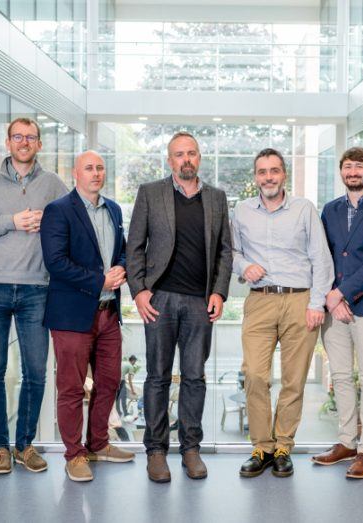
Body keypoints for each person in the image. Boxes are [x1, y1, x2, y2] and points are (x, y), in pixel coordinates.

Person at [126, 131, 232, 483]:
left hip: (200, 302)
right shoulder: (150, 193)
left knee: (194, 377)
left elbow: (224, 251)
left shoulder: (216, 198)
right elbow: (135, 247)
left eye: (191, 153)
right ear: (169, 161)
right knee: (156, 377)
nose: (186, 160)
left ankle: (190, 449)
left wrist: (218, 292)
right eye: (178, 155)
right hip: (160, 300)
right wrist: (139, 290)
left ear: (199, 157)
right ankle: (156, 451)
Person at [0, 117, 68, 475]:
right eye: (18, 136)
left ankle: (25, 444)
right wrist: (14, 220)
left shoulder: (54, 183)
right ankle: (0, 447)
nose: (24, 142)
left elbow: (70, 226)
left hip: (37, 289)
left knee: (36, 371)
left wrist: (50, 224)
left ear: (39, 144)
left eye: (31, 137)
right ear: (8, 142)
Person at [232, 148, 334, 478]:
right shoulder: (242, 210)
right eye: (262, 172)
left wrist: (317, 303)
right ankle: (261, 446)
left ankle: (282, 448)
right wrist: (245, 265)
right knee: (256, 375)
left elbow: (321, 258)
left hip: (299, 301)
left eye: (274, 171)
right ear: (255, 177)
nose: (269, 177)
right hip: (259, 301)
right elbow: (231, 251)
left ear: (284, 175)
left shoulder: (304, 209)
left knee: (294, 379)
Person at [41, 150, 134, 483]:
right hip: (72, 316)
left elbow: (119, 248)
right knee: (71, 388)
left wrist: (121, 266)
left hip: (108, 313)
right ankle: (74, 454)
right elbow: (55, 262)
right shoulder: (58, 211)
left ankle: (98, 444)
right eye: (89, 168)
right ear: (75, 173)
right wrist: (99, 281)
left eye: (100, 168)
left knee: (109, 382)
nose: (96, 173)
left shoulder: (113, 209)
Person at [312, 147, 363, 479]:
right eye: (347, 167)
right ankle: (346, 442)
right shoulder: (330, 209)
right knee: (342, 377)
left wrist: (340, 293)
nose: (353, 172)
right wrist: (333, 298)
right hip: (335, 308)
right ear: (341, 172)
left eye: (359, 166)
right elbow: (324, 255)